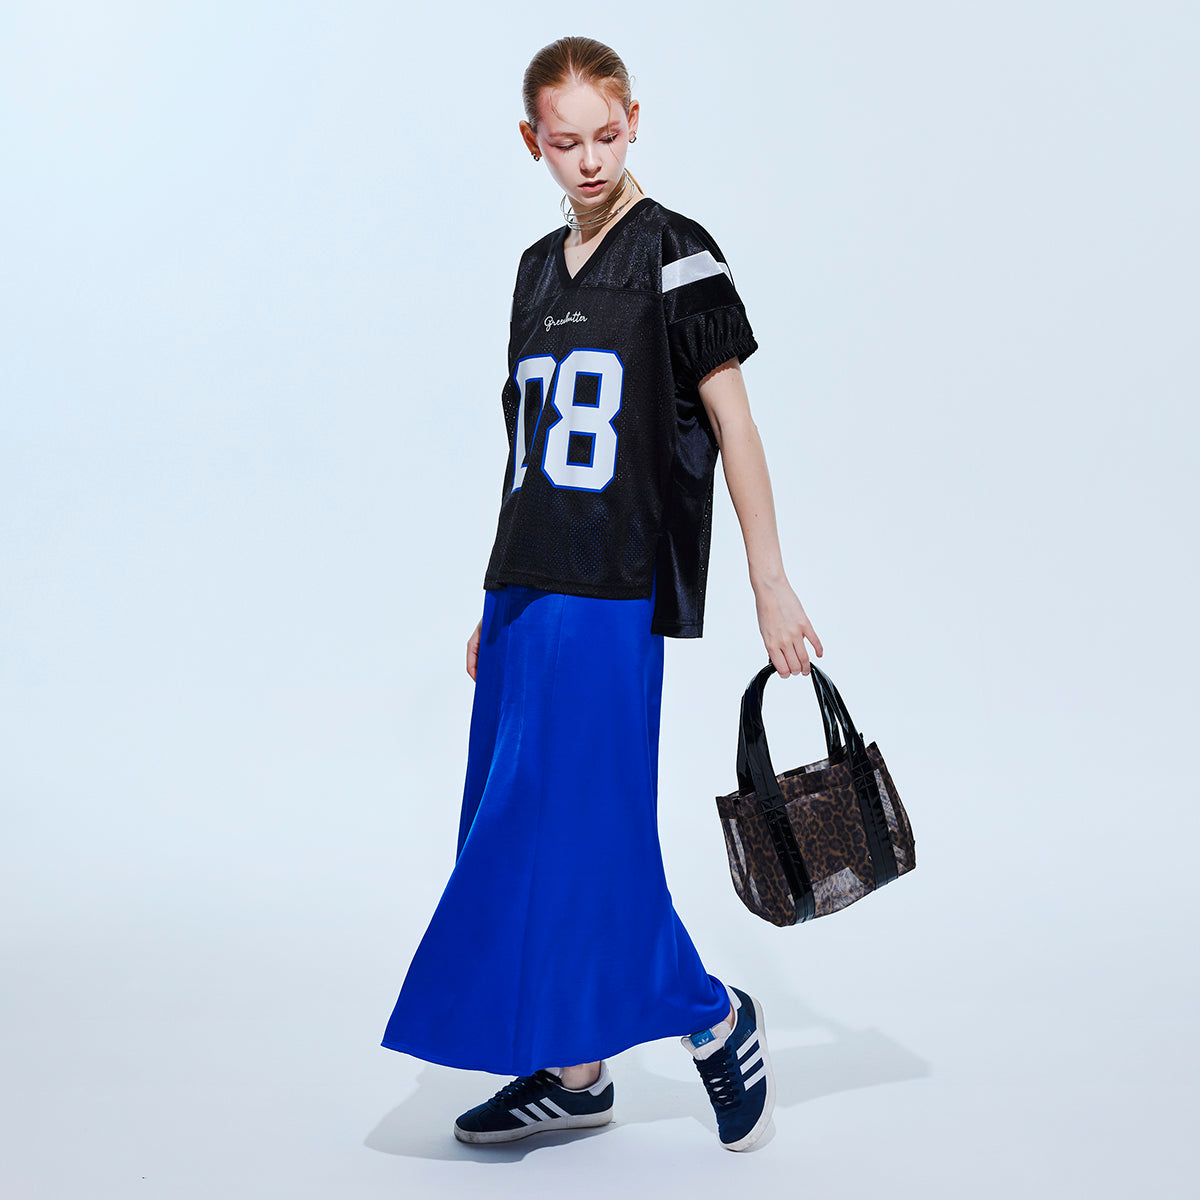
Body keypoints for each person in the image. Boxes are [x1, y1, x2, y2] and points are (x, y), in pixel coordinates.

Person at [380, 35, 822, 1152]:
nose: (589, 160)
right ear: (531, 140)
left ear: (635, 123)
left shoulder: (676, 252)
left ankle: (713, 1015)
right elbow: (527, 452)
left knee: (593, 835)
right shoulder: (535, 270)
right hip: (527, 593)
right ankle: (577, 1073)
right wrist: (495, 596)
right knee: (509, 831)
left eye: (608, 135)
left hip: (611, 592)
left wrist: (770, 583)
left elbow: (735, 426)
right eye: (565, 141)